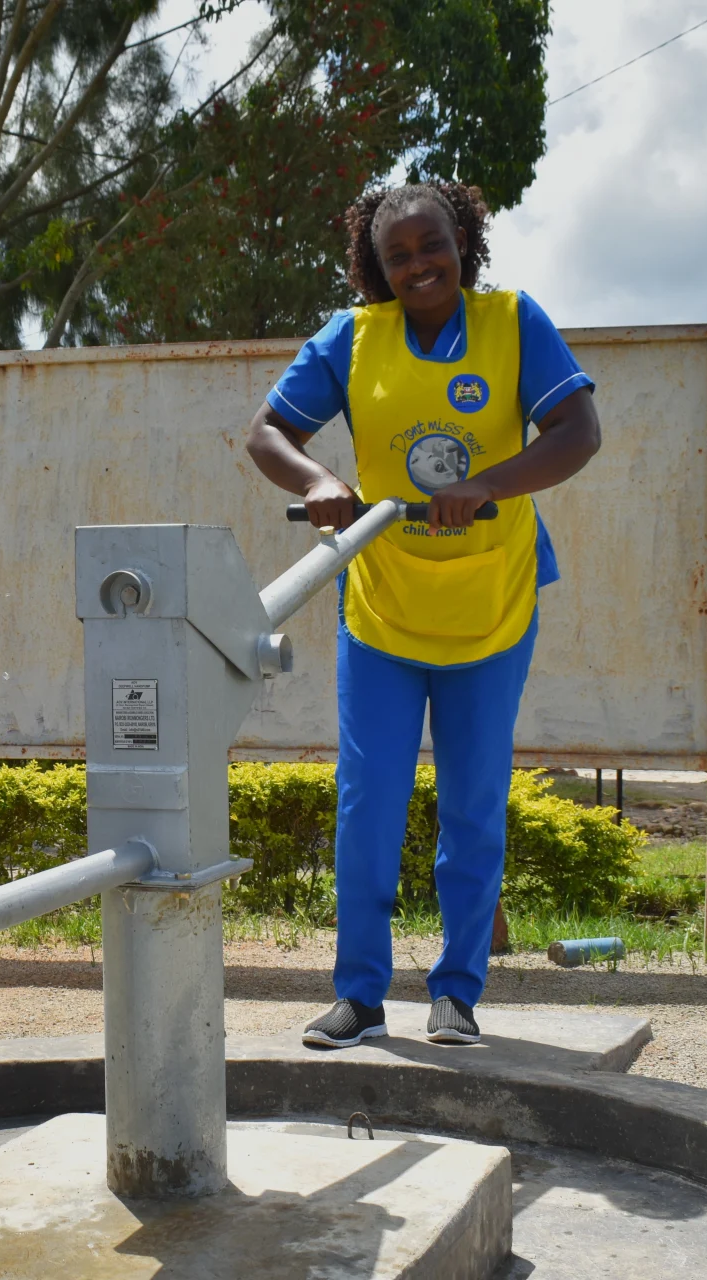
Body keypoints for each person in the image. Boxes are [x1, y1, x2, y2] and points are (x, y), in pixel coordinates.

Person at [247, 182, 601, 1049]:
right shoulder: (352, 337)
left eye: (430, 246)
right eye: (396, 255)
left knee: (473, 803)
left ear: (463, 242)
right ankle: (360, 995)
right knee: (368, 799)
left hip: (492, 598)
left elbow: (577, 431)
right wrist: (320, 481)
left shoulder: (513, 322)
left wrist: (487, 484)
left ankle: (457, 992)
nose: (417, 266)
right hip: (383, 604)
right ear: (376, 264)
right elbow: (266, 433)